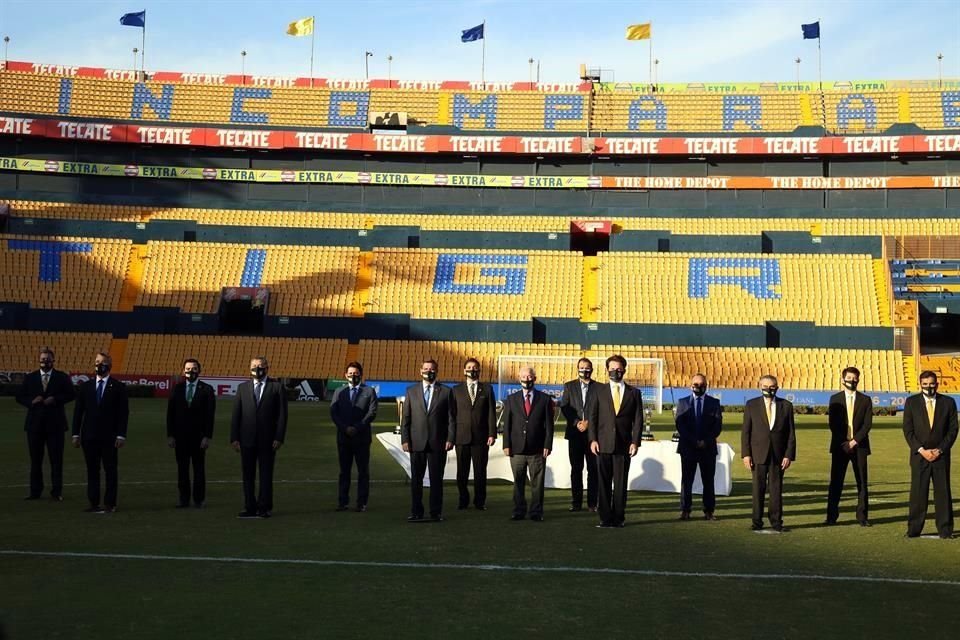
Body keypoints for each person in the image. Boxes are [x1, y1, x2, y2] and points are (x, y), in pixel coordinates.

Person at [588, 355, 643, 528]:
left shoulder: (634, 393)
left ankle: (619, 518)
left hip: (624, 446)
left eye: (619, 369)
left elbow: (638, 419)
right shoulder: (598, 391)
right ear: (607, 369)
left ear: (624, 370)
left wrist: (635, 442)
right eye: (612, 368)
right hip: (602, 444)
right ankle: (605, 518)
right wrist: (592, 440)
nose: (615, 372)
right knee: (603, 484)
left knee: (620, 484)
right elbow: (593, 417)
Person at [230, 356, 287, 519]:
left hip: (269, 440)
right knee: (247, 475)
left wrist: (279, 437)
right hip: (246, 439)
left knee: (266, 475)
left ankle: (264, 507)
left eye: (260, 366)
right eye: (254, 366)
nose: (257, 369)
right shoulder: (242, 388)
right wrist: (234, 437)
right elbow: (236, 415)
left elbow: (282, 415)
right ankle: (249, 506)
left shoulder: (276, 387)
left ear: (267, 368)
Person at [71, 352, 129, 513]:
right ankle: (93, 503)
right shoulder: (86, 386)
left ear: (109, 365)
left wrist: (121, 435)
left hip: (110, 437)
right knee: (92, 470)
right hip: (89, 436)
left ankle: (110, 503)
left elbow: (123, 413)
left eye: (102, 362)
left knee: (110, 470)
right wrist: (75, 434)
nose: (98, 365)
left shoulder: (118, 387)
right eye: (97, 362)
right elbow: (78, 412)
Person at [903, 371, 958, 539]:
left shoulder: (948, 402)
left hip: (941, 456)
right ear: (920, 384)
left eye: (932, 383)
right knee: (918, 494)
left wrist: (940, 450)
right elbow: (908, 430)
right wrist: (921, 450)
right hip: (920, 457)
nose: (929, 386)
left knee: (943, 493)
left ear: (937, 383)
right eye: (925, 384)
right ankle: (914, 529)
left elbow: (953, 430)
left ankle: (945, 530)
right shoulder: (911, 402)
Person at [16, 347, 75, 502]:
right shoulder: (31, 378)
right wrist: (31, 401)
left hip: (55, 425)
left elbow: (71, 394)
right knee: (35, 460)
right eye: (42, 359)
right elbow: (20, 396)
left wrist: (55, 399)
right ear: (39, 360)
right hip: (34, 425)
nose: (45, 362)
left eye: (47, 359)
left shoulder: (61, 377)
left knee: (56, 460)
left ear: (53, 360)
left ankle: (57, 492)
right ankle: (35, 492)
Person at [400, 359, 454, 522]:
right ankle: (416, 511)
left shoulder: (446, 391)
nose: (428, 371)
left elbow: (452, 418)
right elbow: (406, 418)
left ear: (436, 371)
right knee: (416, 479)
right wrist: (405, 439)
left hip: (438, 442)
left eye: (431, 369)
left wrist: (450, 438)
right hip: (416, 442)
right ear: (420, 371)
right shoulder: (411, 391)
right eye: (425, 368)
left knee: (437, 479)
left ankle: (436, 512)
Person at [741, 375, 796, 533]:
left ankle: (776, 521)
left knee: (776, 490)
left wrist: (788, 455)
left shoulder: (786, 406)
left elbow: (791, 433)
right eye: (765, 386)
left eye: (772, 386)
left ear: (777, 387)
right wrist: (746, 454)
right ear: (759, 386)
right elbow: (746, 432)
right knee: (758, 490)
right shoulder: (751, 405)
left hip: (778, 456)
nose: (768, 389)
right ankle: (757, 521)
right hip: (758, 453)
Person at [502, 366, 554, 522]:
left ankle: (536, 512)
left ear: (535, 378)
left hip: (537, 448)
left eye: (530, 377)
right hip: (516, 449)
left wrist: (547, 445)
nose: (527, 379)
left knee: (537, 483)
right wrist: (506, 444)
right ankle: (518, 510)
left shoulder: (545, 399)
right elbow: (507, 424)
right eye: (524, 377)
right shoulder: (511, 399)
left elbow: (549, 425)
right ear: (519, 378)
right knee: (518, 481)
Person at [826, 366, 872, 527]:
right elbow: (833, 423)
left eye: (855, 378)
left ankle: (862, 517)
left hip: (860, 446)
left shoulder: (866, 400)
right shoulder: (835, 399)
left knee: (862, 482)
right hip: (840, 447)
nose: (852, 381)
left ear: (858, 379)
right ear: (843, 379)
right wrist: (844, 443)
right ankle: (831, 517)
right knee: (836, 482)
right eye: (849, 378)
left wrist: (854, 441)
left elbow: (867, 425)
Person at [329, 361, 378, 512]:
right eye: (350, 373)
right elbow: (333, 412)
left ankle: (361, 503)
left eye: (356, 373)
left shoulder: (369, 391)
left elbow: (372, 412)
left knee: (363, 471)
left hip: (362, 438)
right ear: (345, 375)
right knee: (344, 471)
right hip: (344, 438)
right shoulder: (339, 392)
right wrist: (345, 428)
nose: (353, 376)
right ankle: (343, 502)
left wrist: (357, 427)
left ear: (361, 375)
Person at [166, 358, 215, 508]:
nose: (190, 371)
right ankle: (184, 499)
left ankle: (199, 500)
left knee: (199, 469)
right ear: (183, 371)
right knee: (182, 469)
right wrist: (170, 435)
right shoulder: (177, 388)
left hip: (199, 437)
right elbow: (170, 413)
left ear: (199, 370)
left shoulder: (206, 389)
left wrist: (207, 436)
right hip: (180, 437)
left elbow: (210, 415)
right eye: (188, 368)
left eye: (194, 368)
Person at [450, 358, 497, 511]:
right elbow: (452, 415)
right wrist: (451, 436)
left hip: (481, 438)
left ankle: (479, 501)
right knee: (461, 472)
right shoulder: (455, 390)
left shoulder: (487, 389)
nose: (472, 369)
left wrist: (492, 434)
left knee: (480, 471)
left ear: (479, 370)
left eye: (475, 367)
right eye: (469, 367)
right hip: (461, 437)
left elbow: (491, 413)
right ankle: (463, 500)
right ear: (464, 371)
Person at [675, 373, 722, 521]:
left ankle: (709, 511)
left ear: (706, 386)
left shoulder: (714, 403)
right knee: (686, 480)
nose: (698, 387)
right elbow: (680, 425)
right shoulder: (682, 402)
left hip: (708, 448)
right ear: (690, 386)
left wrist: (705, 441)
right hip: (688, 447)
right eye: (695, 384)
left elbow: (717, 426)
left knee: (708, 481)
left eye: (701, 385)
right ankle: (685, 510)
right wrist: (694, 440)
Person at [559, 358, 599, 512]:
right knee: (576, 469)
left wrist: (589, 422)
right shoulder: (569, 386)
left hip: (593, 435)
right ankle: (576, 503)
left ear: (592, 369)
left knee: (593, 470)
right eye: (582, 367)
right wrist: (577, 422)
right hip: (575, 434)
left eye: (587, 367)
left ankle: (592, 503)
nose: (584, 370)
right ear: (577, 369)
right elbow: (565, 407)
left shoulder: (599, 387)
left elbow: (600, 408)